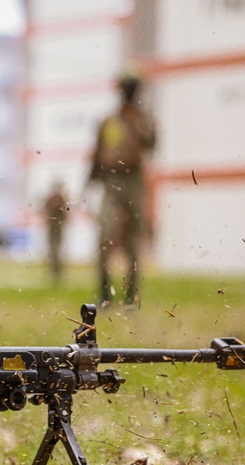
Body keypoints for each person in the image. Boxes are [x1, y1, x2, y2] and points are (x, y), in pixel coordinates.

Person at [89, 71, 156, 306]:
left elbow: (152, 143)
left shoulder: (143, 118)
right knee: (104, 234)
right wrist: (90, 182)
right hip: (111, 179)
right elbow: (97, 151)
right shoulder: (109, 121)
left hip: (134, 179)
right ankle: (104, 293)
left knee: (133, 238)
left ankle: (130, 297)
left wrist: (136, 121)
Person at [42, 180, 68, 283]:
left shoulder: (61, 198)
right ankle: (53, 270)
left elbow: (65, 213)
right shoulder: (53, 198)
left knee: (57, 249)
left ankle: (57, 271)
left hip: (58, 228)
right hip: (52, 228)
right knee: (53, 249)